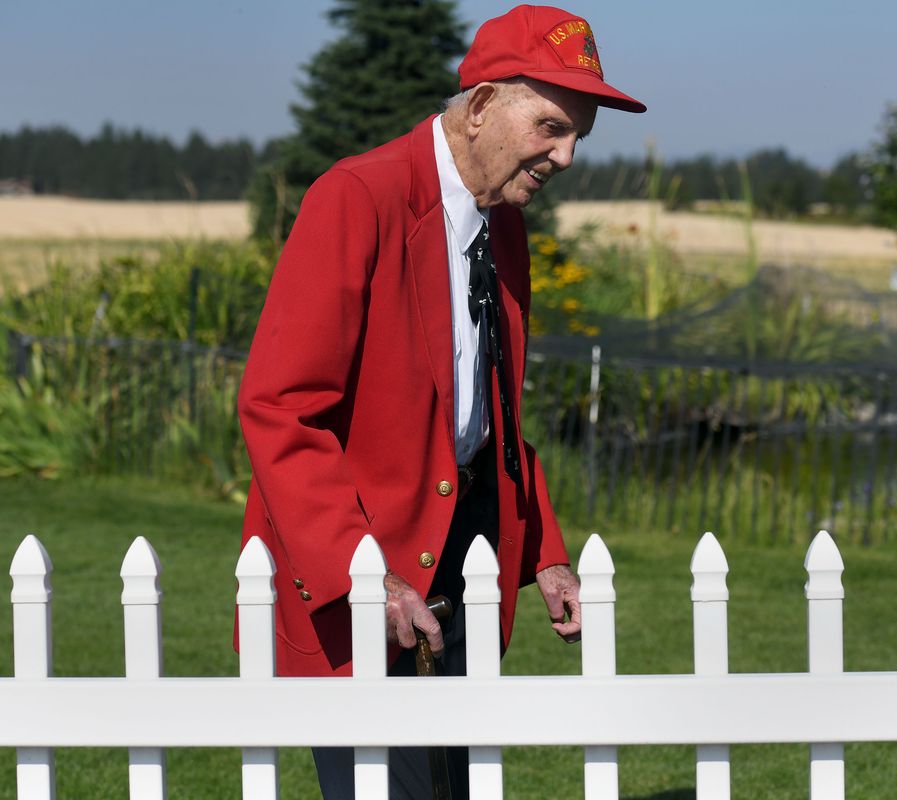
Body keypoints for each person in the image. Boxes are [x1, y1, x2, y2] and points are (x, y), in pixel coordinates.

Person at [236, 5, 645, 797]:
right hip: (359, 570)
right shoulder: (356, 195)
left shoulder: (505, 223)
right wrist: (366, 575)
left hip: (464, 562)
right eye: (552, 127)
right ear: (484, 105)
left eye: (576, 138)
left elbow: (489, 416)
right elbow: (281, 405)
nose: (564, 156)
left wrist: (545, 553)